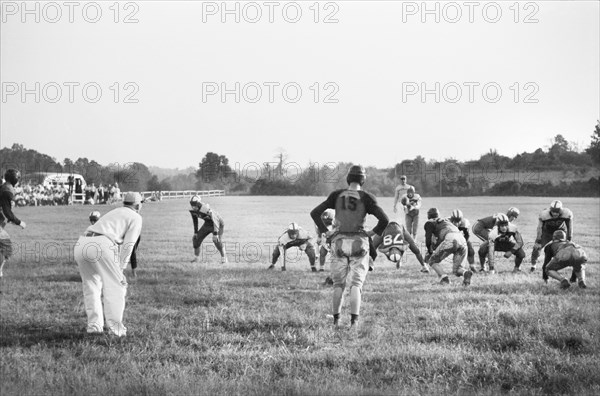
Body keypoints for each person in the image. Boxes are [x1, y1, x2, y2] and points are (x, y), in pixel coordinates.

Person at [311, 165, 389, 331]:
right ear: (363, 180)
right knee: (356, 285)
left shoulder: (336, 194)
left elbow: (314, 213)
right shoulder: (367, 197)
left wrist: (327, 232)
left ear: (348, 179)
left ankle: (336, 321)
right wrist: (371, 232)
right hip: (359, 242)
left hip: (338, 241)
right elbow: (384, 220)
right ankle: (354, 323)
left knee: (338, 285)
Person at [73, 191, 143, 336]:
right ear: (137, 205)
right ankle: (116, 330)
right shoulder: (136, 217)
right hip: (101, 244)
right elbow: (129, 245)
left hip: (82, 242)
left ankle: (94, 327)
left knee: (91, 286)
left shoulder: (115, 211)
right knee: (116, 286)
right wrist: (121, 269)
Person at [424, 208, 472, 285]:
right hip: (462, 239)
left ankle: (445, 279)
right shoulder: (446, 220)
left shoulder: (430, 223)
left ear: (428, 216)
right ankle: (466, 273)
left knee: (432, 261)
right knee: (457, 270)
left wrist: (430, 250)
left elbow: (428, 239)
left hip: (451, 239)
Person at [531, 200, 573, 273]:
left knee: (562, 249)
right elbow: (539, 227)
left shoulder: (566, 214)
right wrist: (538, 240)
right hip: (547, 232)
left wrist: (569, 238)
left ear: (561, 211)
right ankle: (533, 265)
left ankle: (557, 265)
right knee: (536, 248)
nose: (555, 214)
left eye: (557, 212)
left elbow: (569, 227)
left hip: (560, 232)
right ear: (550, 210)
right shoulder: (544, 214)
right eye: (553, 211)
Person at [0, 169, 27, 280]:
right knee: (7, 247)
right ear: (15, 179)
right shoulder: (7, 189)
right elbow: (7, 211)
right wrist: (19, 222)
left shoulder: (4, 187)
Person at [189, 195, 228, 264]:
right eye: (192, 204)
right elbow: (195, 220)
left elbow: (215, 220)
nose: (193, 206)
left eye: (194, 204)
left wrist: (215, 234)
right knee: (196, 239)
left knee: (216, 240)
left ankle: (224, 258)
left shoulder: (206, 209)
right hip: (208, 223)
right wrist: (195, 232)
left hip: (217, 223)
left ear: (198, 203)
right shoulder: (193, 210)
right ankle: (196, 259)